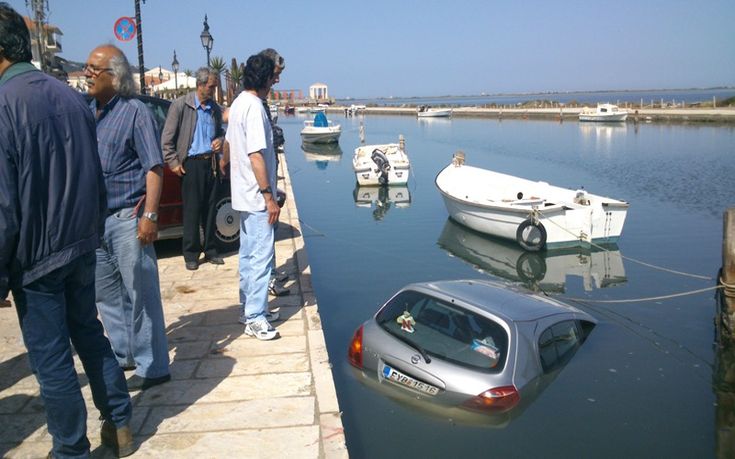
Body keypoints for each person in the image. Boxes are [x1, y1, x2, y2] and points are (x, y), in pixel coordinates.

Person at [0, 4, 134, 457]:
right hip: (79, 244)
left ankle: (71, 450)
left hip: (37, 256)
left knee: (52, 358)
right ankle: (120, 424)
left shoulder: (4, 104)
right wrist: (92, 231)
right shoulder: (70, 97)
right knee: (89, 333)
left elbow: (3, 205)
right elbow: (95, 177)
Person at [85, 44, 171, 391]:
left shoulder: (134, 112)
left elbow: (154, 167)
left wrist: (149, 215)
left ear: (115, 77)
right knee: (107, 296)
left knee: (142, 295)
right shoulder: (89, 111)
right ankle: (126, 356)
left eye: (94, 68)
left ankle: (154, 366)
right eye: (87, 67)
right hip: (96, 222)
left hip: (127, 218)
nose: (87, 73)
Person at [224, 54, 280, 340]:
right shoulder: (255, 107)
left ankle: (249, 306)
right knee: (261, 257)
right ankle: (255, 318)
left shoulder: (237, 104)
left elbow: (230, 143)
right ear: (266, 78)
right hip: (257, 197)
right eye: (273, 76)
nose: (276, 80)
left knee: (247, 256)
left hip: (243, 193)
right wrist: (269, 195)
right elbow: (255, 154)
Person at [161, 67, 225, 271]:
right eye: (211, 87)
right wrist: (174, 163)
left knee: (210, 208)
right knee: (192, 210)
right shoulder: (181, 105)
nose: (214, 91)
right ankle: (190, 253)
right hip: (191, 163)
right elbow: (167, 138)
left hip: (211, 163)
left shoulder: (214, 108)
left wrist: (220, 141)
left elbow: (220, 132)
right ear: (200, 85)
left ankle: (211, 250)